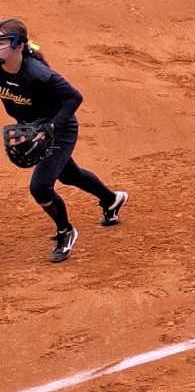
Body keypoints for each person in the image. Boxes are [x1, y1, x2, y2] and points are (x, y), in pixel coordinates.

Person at [0, 19, 128, 263]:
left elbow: (74, 97)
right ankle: (112, 200)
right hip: (33, 129)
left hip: (59, 129)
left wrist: (50, 127)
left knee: (40, 187)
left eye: (2, 43)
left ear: (19, 46)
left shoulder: (38, 74)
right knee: (70, 175)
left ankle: (65, 231)